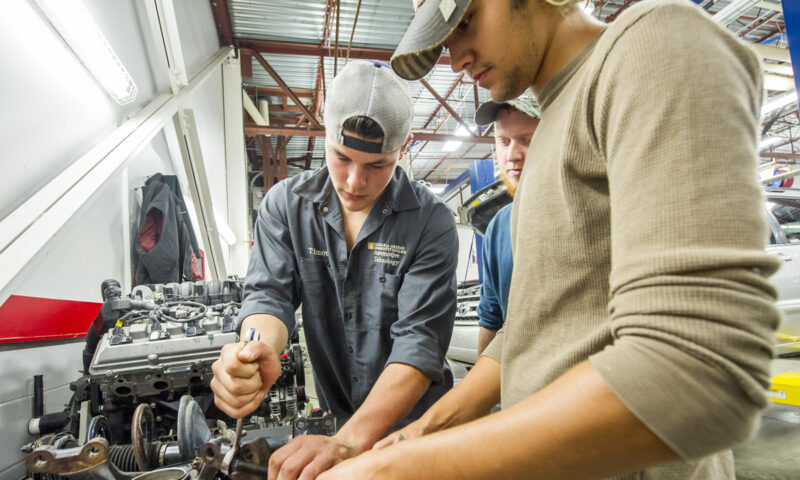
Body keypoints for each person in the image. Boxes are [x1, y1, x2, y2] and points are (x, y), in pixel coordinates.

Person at [317, 0, 781, 478]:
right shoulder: (547, 142)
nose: (456, 59)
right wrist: (421, 432)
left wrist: (406, 468)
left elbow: (696, 372)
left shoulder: (651, 47)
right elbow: (531, 332)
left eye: (467, 21)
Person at [210, 60, 458, 480]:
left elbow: (419, 343)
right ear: (322, 135)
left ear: (406, 146)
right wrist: (258, 350)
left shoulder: (430, 222)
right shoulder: (286, 206)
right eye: (341, 157)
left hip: (419, 429)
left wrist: (351, 440)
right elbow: (269, 296)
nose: (355, 181)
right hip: (340, 420)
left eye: (377, 165)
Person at [473, 94, 540, 355]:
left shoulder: (586, 212)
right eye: (503, 141)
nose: (512, 155)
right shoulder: (499, 225)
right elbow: (492, 318)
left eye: (527, 140)